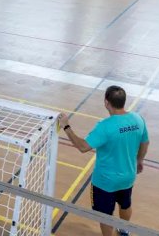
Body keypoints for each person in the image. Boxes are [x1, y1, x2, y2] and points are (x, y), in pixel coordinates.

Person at [58, 86, 150, 236]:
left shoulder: (105, 126)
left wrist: (66, 126)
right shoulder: (138, 119)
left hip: (105, 182)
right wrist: (140, 160)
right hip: (128, 176)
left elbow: (83, 147)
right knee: (125, 204)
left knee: (104, 215)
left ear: (106, 103)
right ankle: (124, 230)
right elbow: (145, 143)